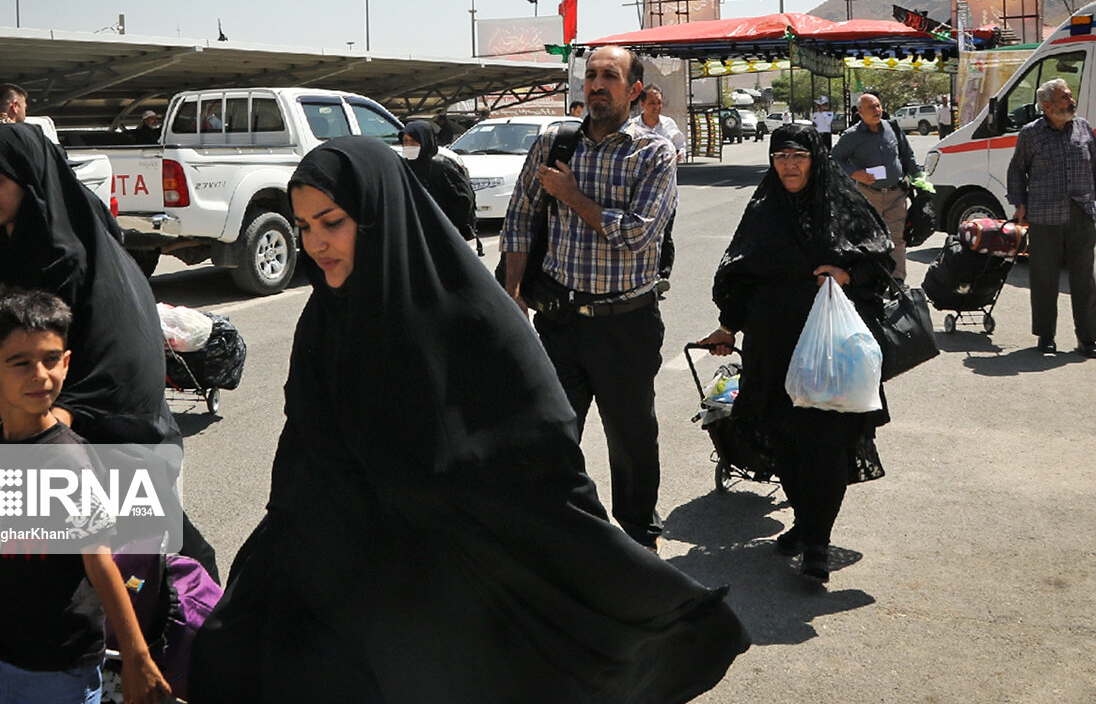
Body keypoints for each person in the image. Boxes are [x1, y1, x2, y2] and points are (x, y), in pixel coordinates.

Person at [187, 136, 749, 702]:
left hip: (454, 571)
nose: (316, 244)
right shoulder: (326, 320)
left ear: (378, 217)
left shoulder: (468, 315)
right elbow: (305, 442)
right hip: (346, 560)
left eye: (330, 222)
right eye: (305, 228)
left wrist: (436, 484)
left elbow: (538, 452)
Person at [0, 121, 217, 696]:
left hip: (82, 422)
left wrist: (65, 415)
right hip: (9, 422)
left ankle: (144, 657)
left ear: (29, 178)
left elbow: (120, 352)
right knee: (6, 561)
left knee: (123, 554)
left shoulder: (70, 249)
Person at [0, 286, 173, 704]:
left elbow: (101, 565)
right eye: (21, 363)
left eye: (51, 360)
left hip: (62, 670)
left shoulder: (69, 460)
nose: (40, 375)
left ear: (66, 363)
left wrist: (136, 656)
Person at [698, 124, 894, 582]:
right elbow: (740, 273)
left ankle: (817, 544)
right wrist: (728, 326)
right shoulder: (764, 209)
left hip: (832, 350)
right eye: (780, 155)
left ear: (816, 159)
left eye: (798, 155)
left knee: (826, 442)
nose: (789, 164)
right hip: (773, 346)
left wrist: (847, 276)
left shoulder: (842, 204)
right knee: (784, 438)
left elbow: (881, 262)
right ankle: (806, 524)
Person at [501, 45, 676, 551]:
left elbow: (639, 234)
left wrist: (572, 196)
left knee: (631, 441)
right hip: (560, 323)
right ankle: (553, 535)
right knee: (549, 433)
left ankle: (640, 541)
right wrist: (513, 291)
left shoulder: (654, 153)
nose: (596, 84)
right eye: (592, 75)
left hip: (627, 324)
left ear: (634, 90)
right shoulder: (555, 143)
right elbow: (519, 217)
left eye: (610, 77)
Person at [1007, 77, 1096, 358]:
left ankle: (1088, 340)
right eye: (1065, 98)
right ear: (1047, 106)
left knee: (1085, 280)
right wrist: (1019, 203)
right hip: (1044, 216)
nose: (1071, 101)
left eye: (1070, 96)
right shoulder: (1030, 134)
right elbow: (1017, 171)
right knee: (1044, 280)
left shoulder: (1083, 129)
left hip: (1081, 214)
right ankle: (1046, 337)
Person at [831, 93, 920, 282]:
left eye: (878, 106)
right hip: (867, 196)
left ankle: (898, 282)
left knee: (897, 240)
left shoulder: (892, 128)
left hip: (896, 195)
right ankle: (871, 281)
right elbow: (834, 159)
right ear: (860, 111)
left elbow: (908, 157)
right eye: (871, 107)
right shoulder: (851, 136)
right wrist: (855, 173)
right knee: (869, 240)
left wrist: (921, 183)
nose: (877, 110)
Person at [400, 119, 482, 254]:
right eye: (405, 141)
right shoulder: (405, 166)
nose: (408, 145)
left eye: (413, 141)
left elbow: (463, 198)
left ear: (425, 140)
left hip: (442, 233)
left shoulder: (442, 166)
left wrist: (453, 226)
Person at [632, 83, 684, 286]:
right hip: (641, 191)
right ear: (642, 104)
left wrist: (680, 153)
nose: (656, 106)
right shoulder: (633, 127)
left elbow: (681, 144)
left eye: (659, 103)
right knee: (642, 233)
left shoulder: (668, 125)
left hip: (666, 192)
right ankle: (643, 274)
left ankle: (662, 276)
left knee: (665, 234)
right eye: (652, 103)